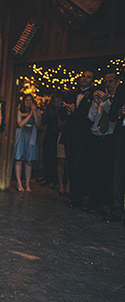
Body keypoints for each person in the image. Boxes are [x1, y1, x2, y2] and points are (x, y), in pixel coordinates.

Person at [59, 70, 95, 208]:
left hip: (83, 138)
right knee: (71, 167)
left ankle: (79, 198)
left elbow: (89, 117)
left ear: (92, 81)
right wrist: (68, 110)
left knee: (80, 168)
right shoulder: (71, 94)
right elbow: (61, 113)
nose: (84, 79)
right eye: (83, 76)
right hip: (70, 136)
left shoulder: (93, 95)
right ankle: (73, 197)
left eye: (88, 77)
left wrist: (74, 112)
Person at [87, 72, 118, 214]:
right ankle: (94, 202)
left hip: (109, 139)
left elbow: (113, 117)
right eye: (105, 81)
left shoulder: (116, 100)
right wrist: (95, 103)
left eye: (110, 81)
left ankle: (107, 204)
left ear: (117, 82)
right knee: (95, 172)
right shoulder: (100, 99)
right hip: (96, 138)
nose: (107, 84)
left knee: (107, 173)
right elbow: (91, 117)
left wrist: (106, 102)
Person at [105, 74, 125, 225]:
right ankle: (117, 209)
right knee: (118, 173)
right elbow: (112, 115)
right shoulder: (122, 89)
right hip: (122, 135)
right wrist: (119, 112)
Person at [13, 94, 42, 192]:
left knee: (29, 161)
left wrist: (34, 113)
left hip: (31, 136)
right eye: (26, 100)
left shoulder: (37, 112)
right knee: (19, 160)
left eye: (30, 100)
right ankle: (19, 182)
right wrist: (29, 115)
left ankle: (27, 183)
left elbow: (38, 125)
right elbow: (20, 124)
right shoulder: (19, 111)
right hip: (22, 135)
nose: (28, 102)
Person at [40, 90, 63, 188]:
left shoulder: (62, 107)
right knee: (47, 155)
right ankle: (47, 177)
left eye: (56, 97)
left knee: (55, 157)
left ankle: (55, 180)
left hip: (58, 133)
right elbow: (44, 121)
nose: (54, 99)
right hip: (49, 132)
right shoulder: (49, 107)